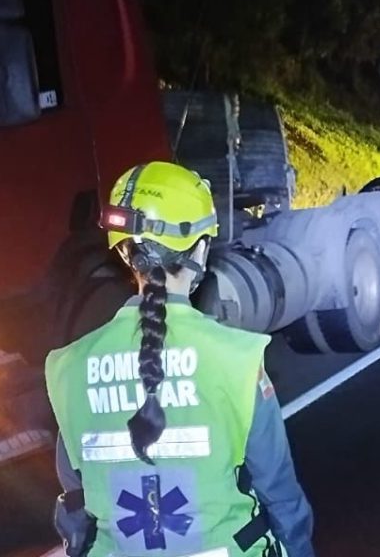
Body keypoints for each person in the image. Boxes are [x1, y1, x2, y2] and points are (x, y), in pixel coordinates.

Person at [45, 161, 315, 557]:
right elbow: (281, 497)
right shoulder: (236, 358)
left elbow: (75, 497)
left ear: (123, 252)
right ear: (201, 248)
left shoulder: (67, 367)